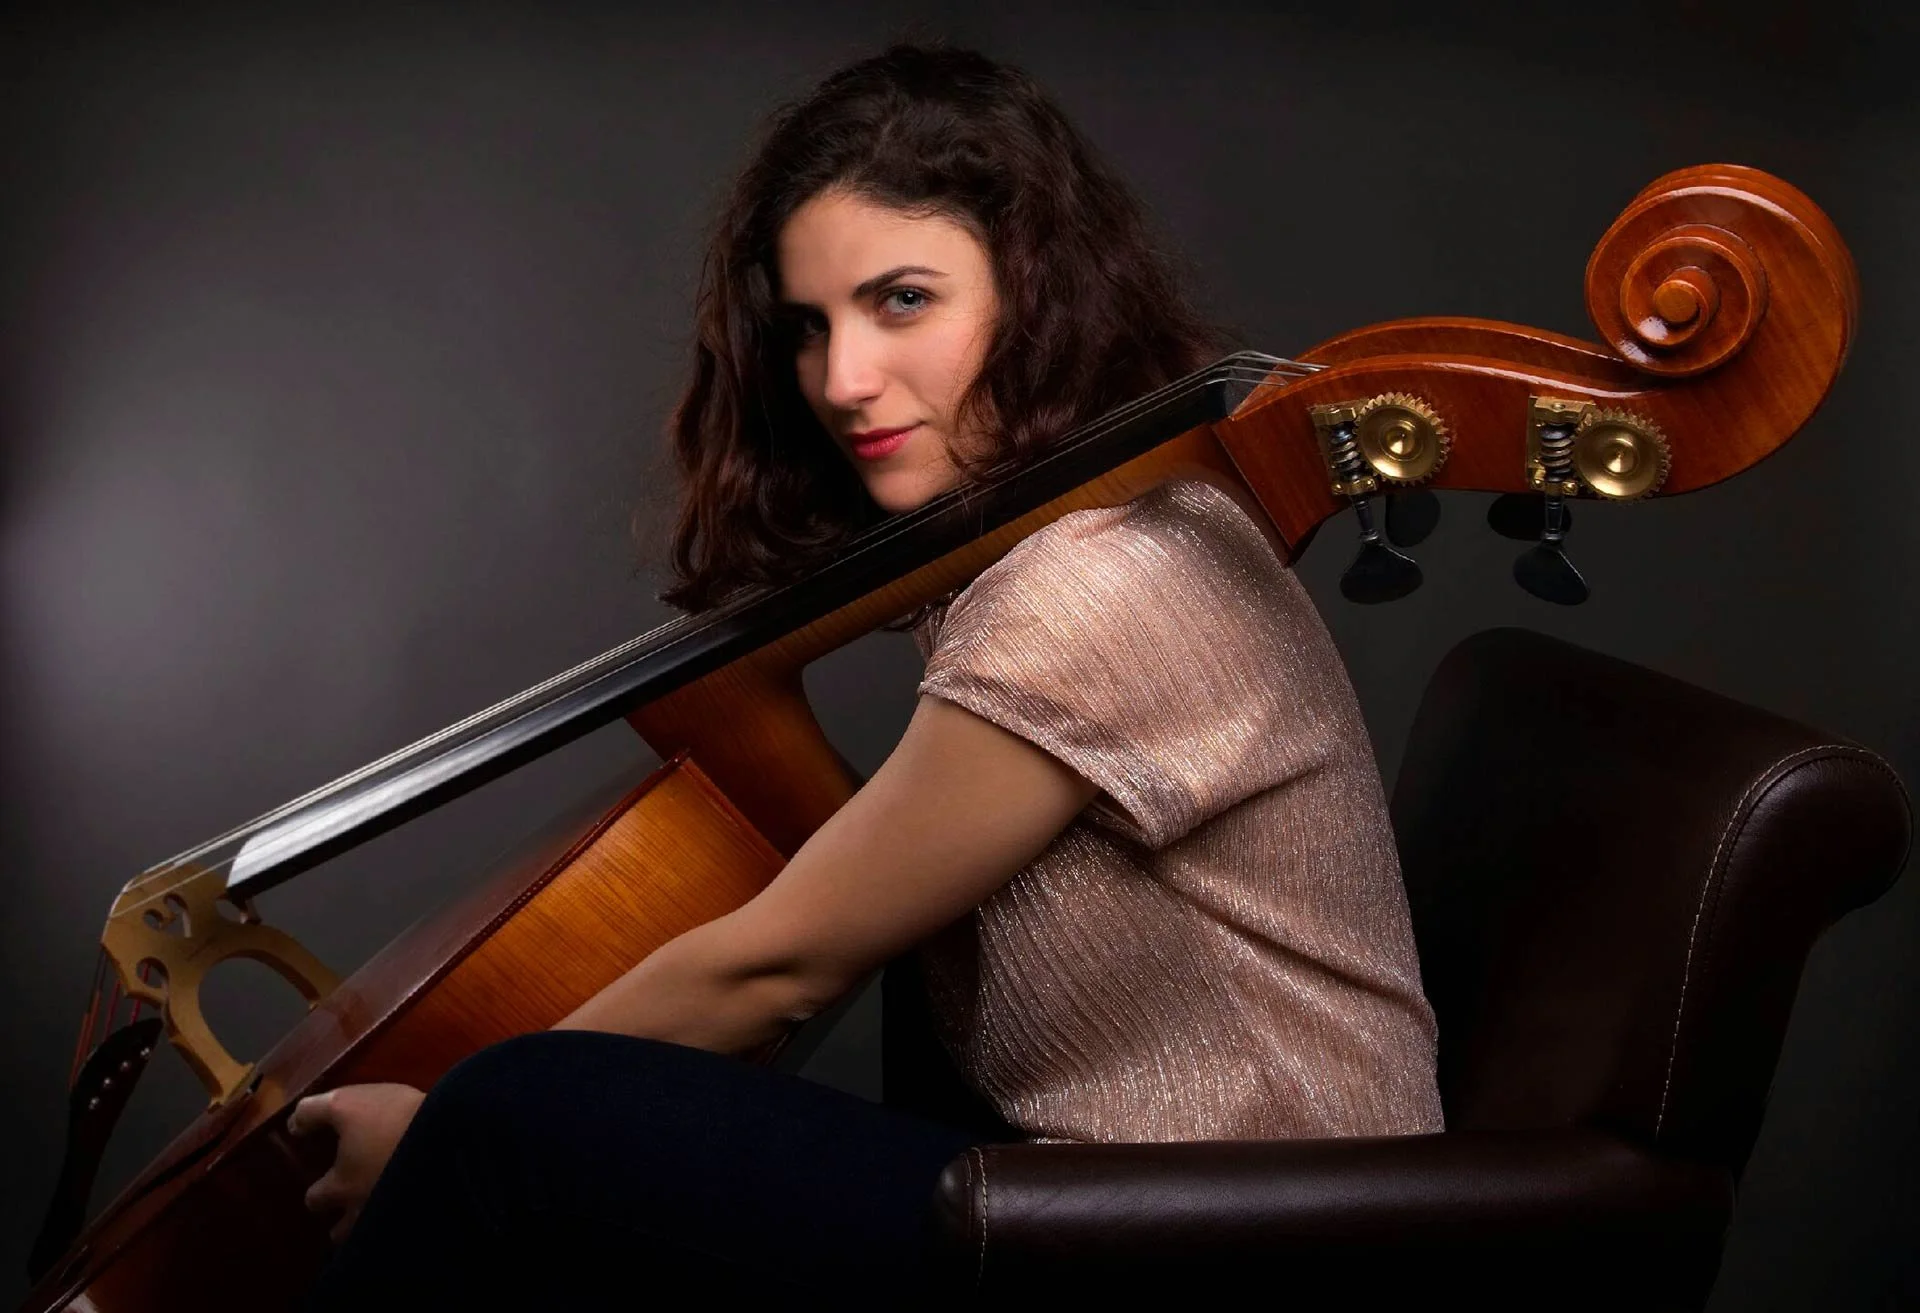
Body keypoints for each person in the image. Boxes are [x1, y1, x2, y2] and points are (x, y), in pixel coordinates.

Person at [291, 43, 1442, 1307]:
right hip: (1101, 1201)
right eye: (810, 325)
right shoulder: (1089, 539)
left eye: (903, 300)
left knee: (512, 1125)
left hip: (1237, 1249)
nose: (842, 382)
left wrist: (443, 1131)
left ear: (1038, 294)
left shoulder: (1104, 584)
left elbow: (775, 968)